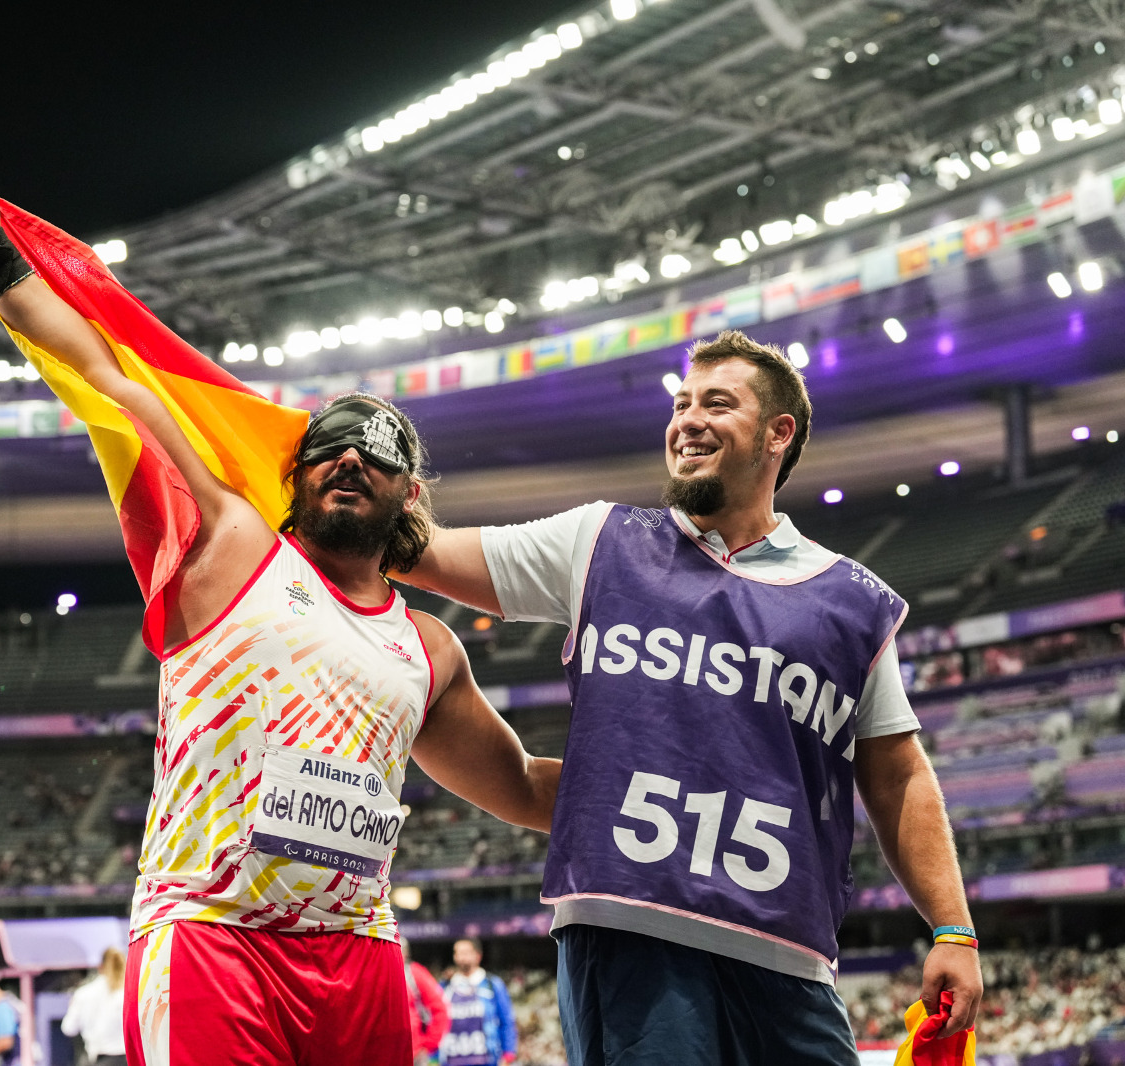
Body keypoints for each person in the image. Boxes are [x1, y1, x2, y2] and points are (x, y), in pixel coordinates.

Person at [0, 175, 561, 1066]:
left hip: (362, 955)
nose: (348, 455)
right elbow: (108, 373)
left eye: (376, 450)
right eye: (328, 443)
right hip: (210, 935)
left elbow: (529, 788)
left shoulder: (429, 648)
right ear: (294, 472)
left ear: (410, 493)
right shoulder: (231, 542)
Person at [403, 330, 983, 1065]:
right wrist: (338, 468)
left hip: (790, 954)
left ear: (780, 433)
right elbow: (418, 552)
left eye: (717, 402)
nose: (687, 420)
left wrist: (953, 929)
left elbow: (898, 776)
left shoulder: (853, 602)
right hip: (633, 936)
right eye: (681, 404)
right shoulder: (599, 541)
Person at [438, 940, 516, 1066]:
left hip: (487, 1059)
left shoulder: (493, 985)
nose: (462, 957)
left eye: (466, 953)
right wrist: (434, 1056)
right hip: (452, 1059)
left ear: (478, 955)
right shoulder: (445, 986)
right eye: (459, 953)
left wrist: (508, 1054)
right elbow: (436, 1021)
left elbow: (507, 1021)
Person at [60, 947, 128, 1066]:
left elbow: (68, 1028)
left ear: (100, 967)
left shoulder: (83, 994)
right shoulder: (127, 993)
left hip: (100, 1059)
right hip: (128, 1059)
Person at [403, 941, 448, 1066]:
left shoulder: (414, 974)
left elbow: (440, 1008)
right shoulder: (376, 972)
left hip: (415, 1054)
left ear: (406, 953)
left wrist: (430, 1043)